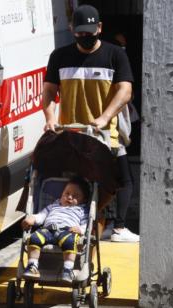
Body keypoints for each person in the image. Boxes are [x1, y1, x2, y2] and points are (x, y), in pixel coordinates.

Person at [42, 4, 139, 242]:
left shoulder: (115, 54)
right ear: (71, 29)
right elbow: (48, 92)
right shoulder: (60, 57)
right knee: (78, 185)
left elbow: (125, 91)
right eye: (80, 33)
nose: (85, 38)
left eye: (90, 33)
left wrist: (105, 117)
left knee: (121, 180)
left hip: (105, 134)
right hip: (73, 136)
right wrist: (50, 119)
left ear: (100, 28)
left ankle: (117, 227)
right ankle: (78, 224)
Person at [21, 176, 90, 283]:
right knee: (34, 238)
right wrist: (32, 218)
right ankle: (32, 266)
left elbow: (86, 224)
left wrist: (80, 229)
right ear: (61, 194)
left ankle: (67, 269)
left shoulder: (81, 210)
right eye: (67, 193)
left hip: (68, 232)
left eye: (75, 196)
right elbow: (42, 215)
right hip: (47, 231)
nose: (70, 197)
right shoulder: (54, 205)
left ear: (83, 200)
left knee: (71, 242)